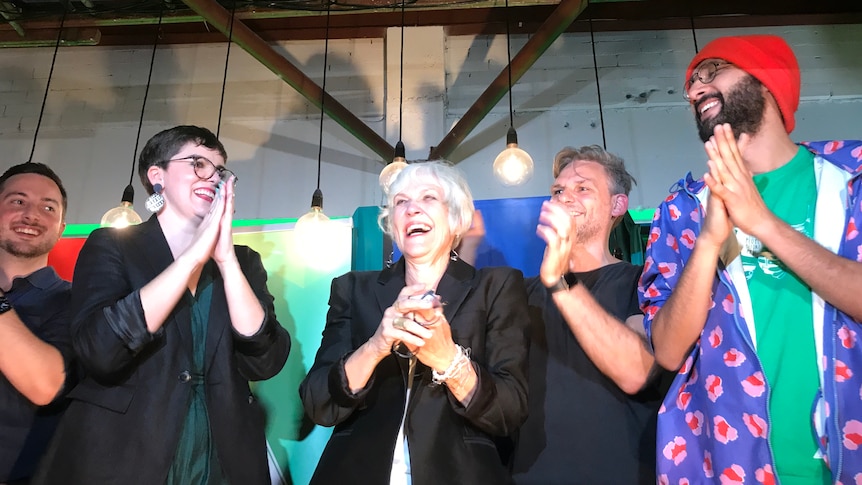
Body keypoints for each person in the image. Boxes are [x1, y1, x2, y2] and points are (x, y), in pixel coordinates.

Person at [640, 34, 862, 484]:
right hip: (730, 464)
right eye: (691, 84)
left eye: (713, 71)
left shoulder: (852, 179)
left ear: (767, 80)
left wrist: (761, 222)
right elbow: (666, 350)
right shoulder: (682, 209)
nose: (695, 89)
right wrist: (708, 242)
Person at [33, 125, 291, 485]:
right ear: (158, 176)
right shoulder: (113, 245)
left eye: (219, 170)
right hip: (122, 450)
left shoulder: (244, 261)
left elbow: (266, 360)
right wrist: (191, 259)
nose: (212, 176)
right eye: (198, 163)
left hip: (221, 453)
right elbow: (100, 351)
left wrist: (226, 260)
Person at [299, 160, 530, 485]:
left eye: (428, 198)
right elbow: (317, 402)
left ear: (456, 217)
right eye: (401, 201)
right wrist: (376, 345)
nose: (412, 209)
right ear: (392, 223)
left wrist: (449, 363)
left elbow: (510, 410)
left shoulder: (496, 287)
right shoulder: (353, 289)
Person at [510, 146, 671, 484]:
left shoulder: (644, 282)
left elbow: (636, 372)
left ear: (617, 205)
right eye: (558, 190)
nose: (565, 197)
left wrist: (559, 282)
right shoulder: (517, 293)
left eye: (582, 188)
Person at [0, 163, 72, 484]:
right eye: (18, 201)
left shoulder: (76, 302)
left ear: (60, 229)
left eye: (48, 208)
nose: (32, 215)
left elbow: (45, 385)